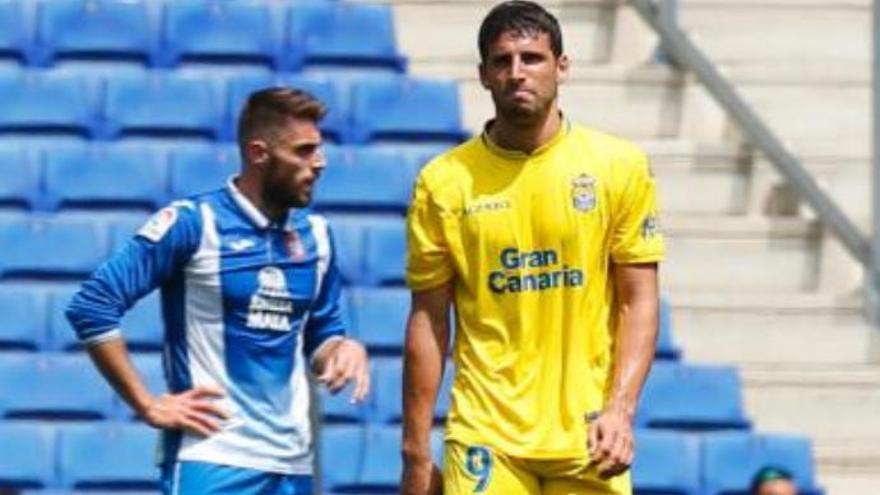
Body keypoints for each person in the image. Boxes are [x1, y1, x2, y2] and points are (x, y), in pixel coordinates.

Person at [400, 1, 664, 494]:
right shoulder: (443, 183)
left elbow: (638, 298)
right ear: (483, 75)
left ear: (562, 66)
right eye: (502, 61)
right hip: (485, 433)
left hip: (589, 435)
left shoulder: (618, 166)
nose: (517, 73)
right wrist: (416, 454)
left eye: (532, 58)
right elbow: (428, 319)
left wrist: (620, 410)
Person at [66, 88, 370, 495]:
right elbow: (93, 305)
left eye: (319, 149)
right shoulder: (194, 223)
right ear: (259, 153)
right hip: (211, 457)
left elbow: (320, 334)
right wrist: (147, 404)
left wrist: (343, 349)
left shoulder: (317, 236)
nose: (320, 162)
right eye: (304, 150)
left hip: (292, 463)